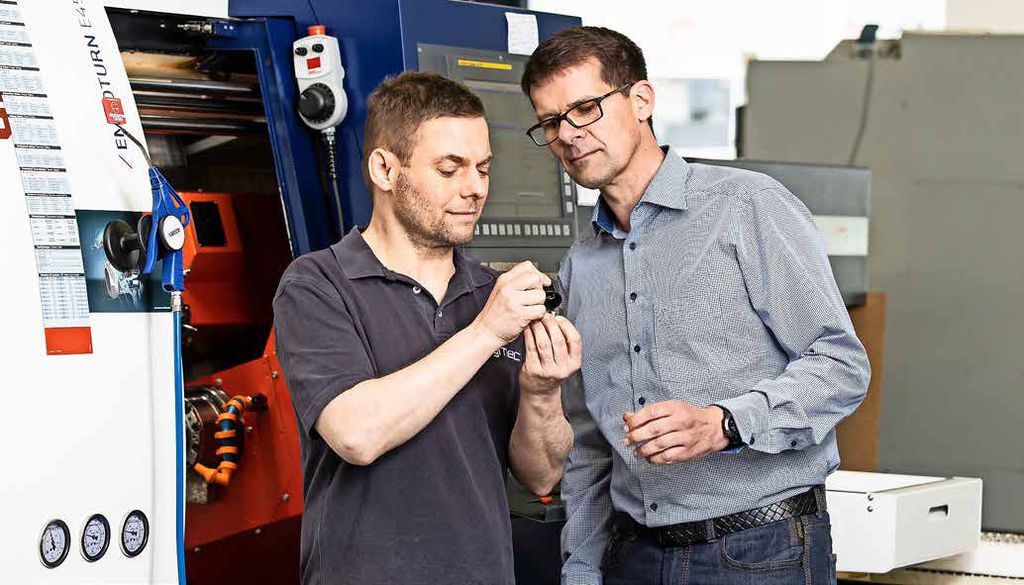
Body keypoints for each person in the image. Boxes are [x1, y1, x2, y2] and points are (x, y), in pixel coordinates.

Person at [521, 27, 871, 585]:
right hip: (632, 557)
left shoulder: (745, 206)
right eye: (550, 122)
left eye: (585, 108)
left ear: (641, 100)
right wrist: (582, 569)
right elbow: (590, 445)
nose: (568, 134)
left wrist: (724, 424)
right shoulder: (581, 266)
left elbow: (840, 365)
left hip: (760, 552)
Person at [273, 71, 580, 585]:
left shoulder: (489, 293)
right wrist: (485, 333)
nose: (475, 188)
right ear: (385, 169)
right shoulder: (318, 284)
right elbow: (356, 434)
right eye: (449, 169)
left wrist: (542, 392)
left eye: (483, 168)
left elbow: (542, 474)